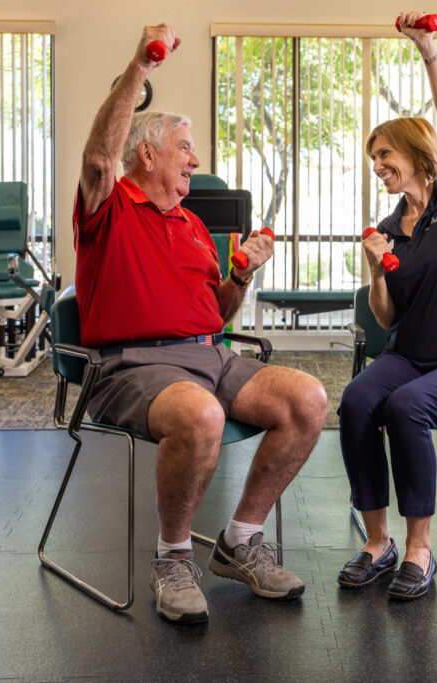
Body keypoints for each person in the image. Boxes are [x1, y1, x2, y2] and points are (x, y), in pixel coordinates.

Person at [74, 24, 328, 624]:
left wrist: (240, 274)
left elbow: (215, 316)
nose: (195, 160)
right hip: (129, 365)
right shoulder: (108, 206)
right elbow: (95, 157)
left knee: (309, 398)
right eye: (184, 147)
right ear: (146, 154)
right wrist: (140, 64)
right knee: (201, 414)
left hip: (210, 355)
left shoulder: (191, 226)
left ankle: (240, 540)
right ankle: (173, 557)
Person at [336, 12, 437, 600]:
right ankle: (376, 543)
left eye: (384, 155)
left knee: (405, 409)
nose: (378, 167)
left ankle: (420, 550)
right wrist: (378, 267)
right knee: (357, 401)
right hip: (408, 353)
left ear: (413, 151)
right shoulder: (388, 227)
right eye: (373, 160)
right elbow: (385, 318)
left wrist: (428, 49)